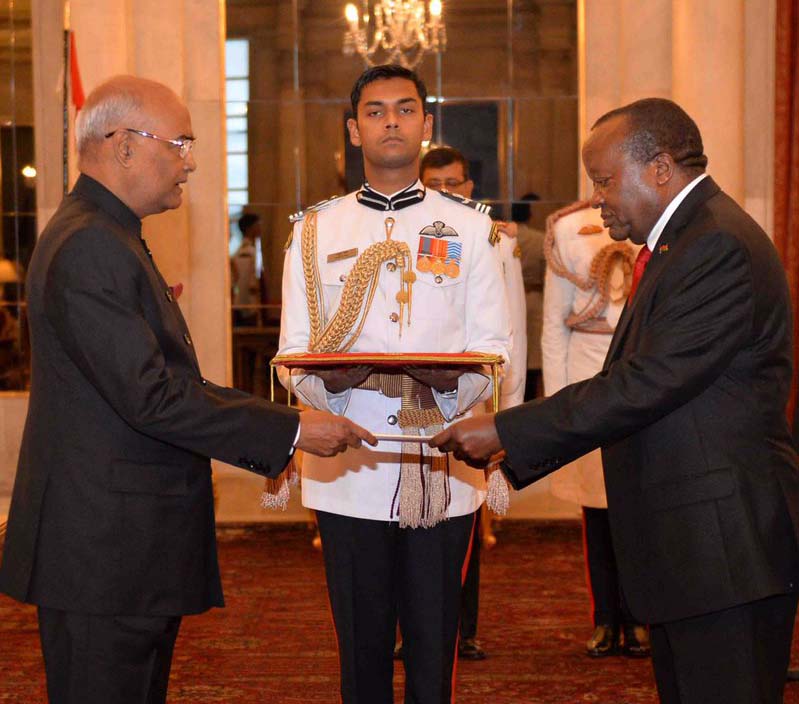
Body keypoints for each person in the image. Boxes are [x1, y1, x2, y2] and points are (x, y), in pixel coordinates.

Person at [0, 75, 374, 704]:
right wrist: (290, 429)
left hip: (119, 545)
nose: (190, 162)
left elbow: (167, 382)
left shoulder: (105, 233)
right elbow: (152, 396)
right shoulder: (92, 242)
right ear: (123, 146)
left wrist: (282, 424)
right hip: (105, 551)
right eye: (179, 144)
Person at [431, 98, 799, 704]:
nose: (597, 199)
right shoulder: (684, 239)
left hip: (726, 552)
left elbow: (645, 383)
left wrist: (509, 430)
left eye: (604, 181)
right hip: (698, 550)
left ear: (659, 168)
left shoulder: (715, 246)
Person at [277, 65, 510, 703]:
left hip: (441, 462)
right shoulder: (315, 232)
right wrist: (349, 400)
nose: (391, 122)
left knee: (435, 655)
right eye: (375, 112)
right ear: (354, 131)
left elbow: (494, 348)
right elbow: (293, 353)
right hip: (348, 466)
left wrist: (426, 401)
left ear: (426, 125)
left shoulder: (468, 230)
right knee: (362, 653)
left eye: (405, 110)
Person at [418, 144, 526, 661]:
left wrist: (511, 415)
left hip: (473, 404)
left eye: (454, 184)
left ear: (469, 187)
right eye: (434, 184)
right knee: (405, 526)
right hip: (409, 404)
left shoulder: (495, 243)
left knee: (464, 520)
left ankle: (464, 629)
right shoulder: (402, 239)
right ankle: (408, 629)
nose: (446, 193)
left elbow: (512, 334)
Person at [541, 201, 649, 657]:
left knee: (642, 511)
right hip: (588, 375)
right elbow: (553, 326)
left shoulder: (652, 221)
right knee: (598, 515)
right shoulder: (568, 228)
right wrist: (558, 408)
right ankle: (605, 618)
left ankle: (640, 617)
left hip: (644, 377)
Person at [497, 194, 546, 401]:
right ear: (530, 212)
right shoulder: (539, 238)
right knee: (533, 357)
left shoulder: (501, 235)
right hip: (535, 297)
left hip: (509, 298)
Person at [231, 212, 262, 326]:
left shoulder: (253, 249)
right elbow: (243, 282)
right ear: (250, 228)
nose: (260, 229)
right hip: (247, 303)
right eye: (257, 226)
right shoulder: (246, 251)